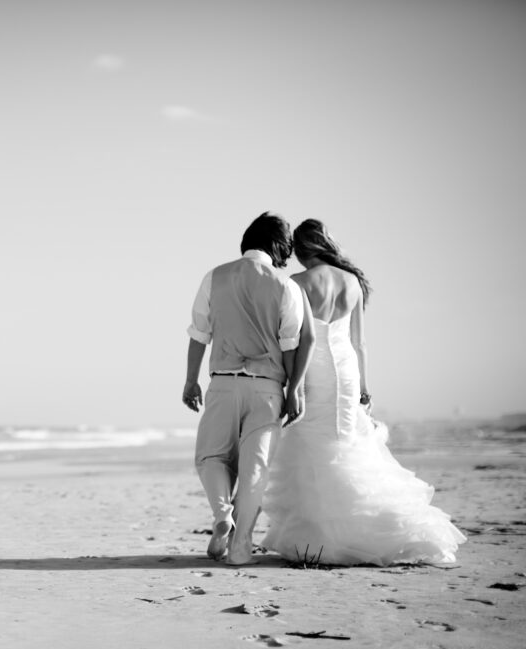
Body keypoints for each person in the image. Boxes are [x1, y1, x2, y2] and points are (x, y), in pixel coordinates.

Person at [261, 219, 466, 566]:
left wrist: (287, 382)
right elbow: (360, 342)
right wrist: (365, 388)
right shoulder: (352, 282)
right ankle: (363, 529)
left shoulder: (298, 283)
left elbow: (295, 339)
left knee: (312, 441)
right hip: (347, 368)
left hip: (315, 369)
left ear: (299, 249)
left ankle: (325, 537)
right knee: (347, 442)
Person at [182, 212, 313, 566]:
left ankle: (222, 513)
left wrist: (191, 379)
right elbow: (291, 345)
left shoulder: (215, 276)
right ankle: (240, 549)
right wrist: (293, 391)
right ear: (279, 247)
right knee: (255, 470)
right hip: (268, 388)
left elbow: (199, 334)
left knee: (211, 457)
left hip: (223, 383)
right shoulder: (287, 287)